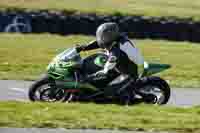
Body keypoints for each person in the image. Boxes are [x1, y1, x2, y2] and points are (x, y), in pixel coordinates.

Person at [76, 22, 144, 82]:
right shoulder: (110, 40)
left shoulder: (119, 46)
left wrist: (104, 71)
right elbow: (98, 43)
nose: (102, 38)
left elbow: (112, 59)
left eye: (104, 36)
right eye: (101, 36)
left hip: (131, 70)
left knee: (107, 86)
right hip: (120, 64)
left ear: (110, 35)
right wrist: (82, 48)